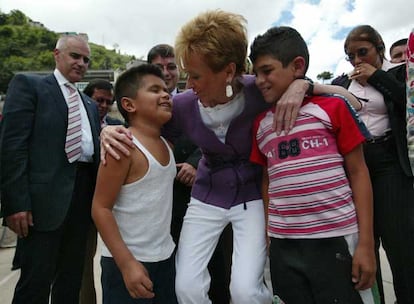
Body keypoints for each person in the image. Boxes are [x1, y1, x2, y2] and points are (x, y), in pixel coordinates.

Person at [100, 10, 363, 304]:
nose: (189, 84)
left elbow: (350, 101)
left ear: (228, 71)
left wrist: (304, 85)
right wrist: (110, 132)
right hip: (206, 194)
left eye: (196, 75)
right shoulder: (184, 105)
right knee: (186, 287)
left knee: (247, 291)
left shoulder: (259, 89)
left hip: (251, 195)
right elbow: (142, 124)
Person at [249, 25, 376, 304]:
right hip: (284, 245)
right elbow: (268, 181)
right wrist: (271, 236)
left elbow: (359, 172)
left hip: (337, 238)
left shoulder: (333, 108)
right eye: (255, 73)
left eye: (266, 70)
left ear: (297, 66)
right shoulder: (260, 125)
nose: (259, 80)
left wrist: (366, 244)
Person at [0, 34, 100, 304]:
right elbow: (12, 148)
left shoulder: (89, 105)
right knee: (35, 282)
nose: (81, 63)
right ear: (57, 55)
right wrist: (15, 203)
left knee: (70, 280)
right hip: (41, 204)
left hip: (82, 199)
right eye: (75, 56)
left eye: (86, 59)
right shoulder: (29, 86)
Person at [331, 25, 414, 304]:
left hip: (389, 161)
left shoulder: (398, 72)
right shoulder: (343, 83)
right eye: (350, 56)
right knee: (363, 246)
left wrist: (377, 76)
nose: (357, 61)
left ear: (379, 47)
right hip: (354, 165)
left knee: (400, 244)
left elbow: (408, 103)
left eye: (362, 52)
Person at [147, 43, 231, 303]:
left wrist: (196, 163)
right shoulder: (141, 104)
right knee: (176, 277)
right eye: (158, 67)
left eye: (171, 66)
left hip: (208, 196)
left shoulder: (204, 97)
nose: (166, 72)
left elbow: (224, 132)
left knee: (218, 270)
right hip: (162, 207)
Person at [91, 64, 177, 303]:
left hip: (165, 258)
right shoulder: (122, 147)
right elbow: (100, 208)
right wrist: (127, 264)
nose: (165, 94)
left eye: (166, 90)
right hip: (127, 263)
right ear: (129, 105)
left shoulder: (167, 147)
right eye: (154, 90)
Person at [79, 78, 121, 304]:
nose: (103, 105)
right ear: (87, 98)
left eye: (108, 101)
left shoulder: (118, 126)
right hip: (84, 205)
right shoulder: (77, 125)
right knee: (84, 263)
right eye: (99, 100)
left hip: (116, 207)